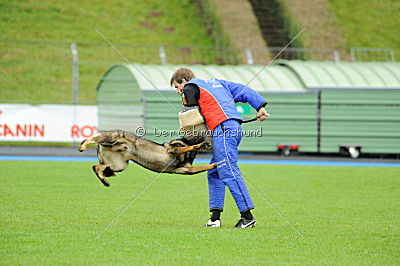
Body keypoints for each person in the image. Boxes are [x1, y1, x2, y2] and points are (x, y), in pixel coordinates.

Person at [170, 68, 269, 228]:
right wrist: (260, 107)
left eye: (176, 87)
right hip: (233, 127)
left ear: (183, 80)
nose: (177, 91)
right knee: (214, 172)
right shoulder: (218, 83)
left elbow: (189, 120)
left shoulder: (189, 87)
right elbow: (244, 91)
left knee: (227, 170)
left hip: (223, 128)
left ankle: (247, 217)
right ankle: (215, 219)